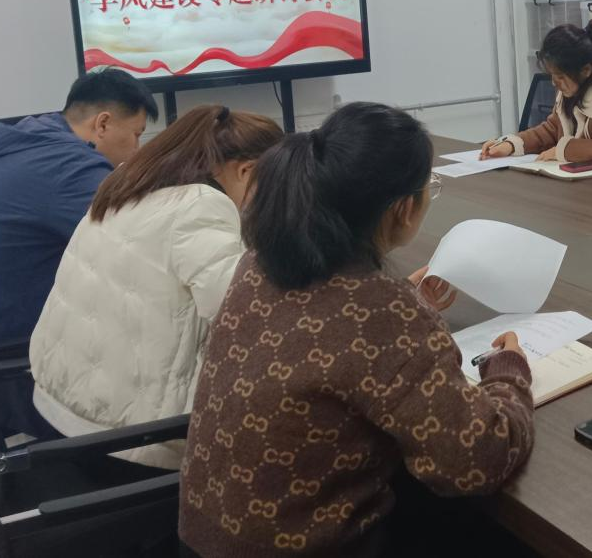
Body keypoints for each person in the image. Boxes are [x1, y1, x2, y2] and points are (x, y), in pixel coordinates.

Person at [179, 102, 534, 557]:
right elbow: (476, 458)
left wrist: (406, 309)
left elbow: (324, 333)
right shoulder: (381, 311)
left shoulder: (259, 262)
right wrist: (508, 371)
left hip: (203, 537)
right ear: (404, 208)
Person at [30, 105, 283, 468]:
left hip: (62, 410)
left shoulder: (128, 185)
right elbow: (244, 311)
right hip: (132, 440)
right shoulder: (200, 205)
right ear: (247, 170)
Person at [0, 69, 157, 351]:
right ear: (103, 124)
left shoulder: (33, 142)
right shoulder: (69, 165)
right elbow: (138, 245)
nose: (137, 149)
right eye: (136, 134)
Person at [481, 21, 592, 173]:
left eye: (560, 76)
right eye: (552, 75)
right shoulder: (575, 87)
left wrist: (566, 150)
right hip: (589, 184)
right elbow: (553, 129)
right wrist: (512, 144)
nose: (554, 83)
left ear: (586, 70)